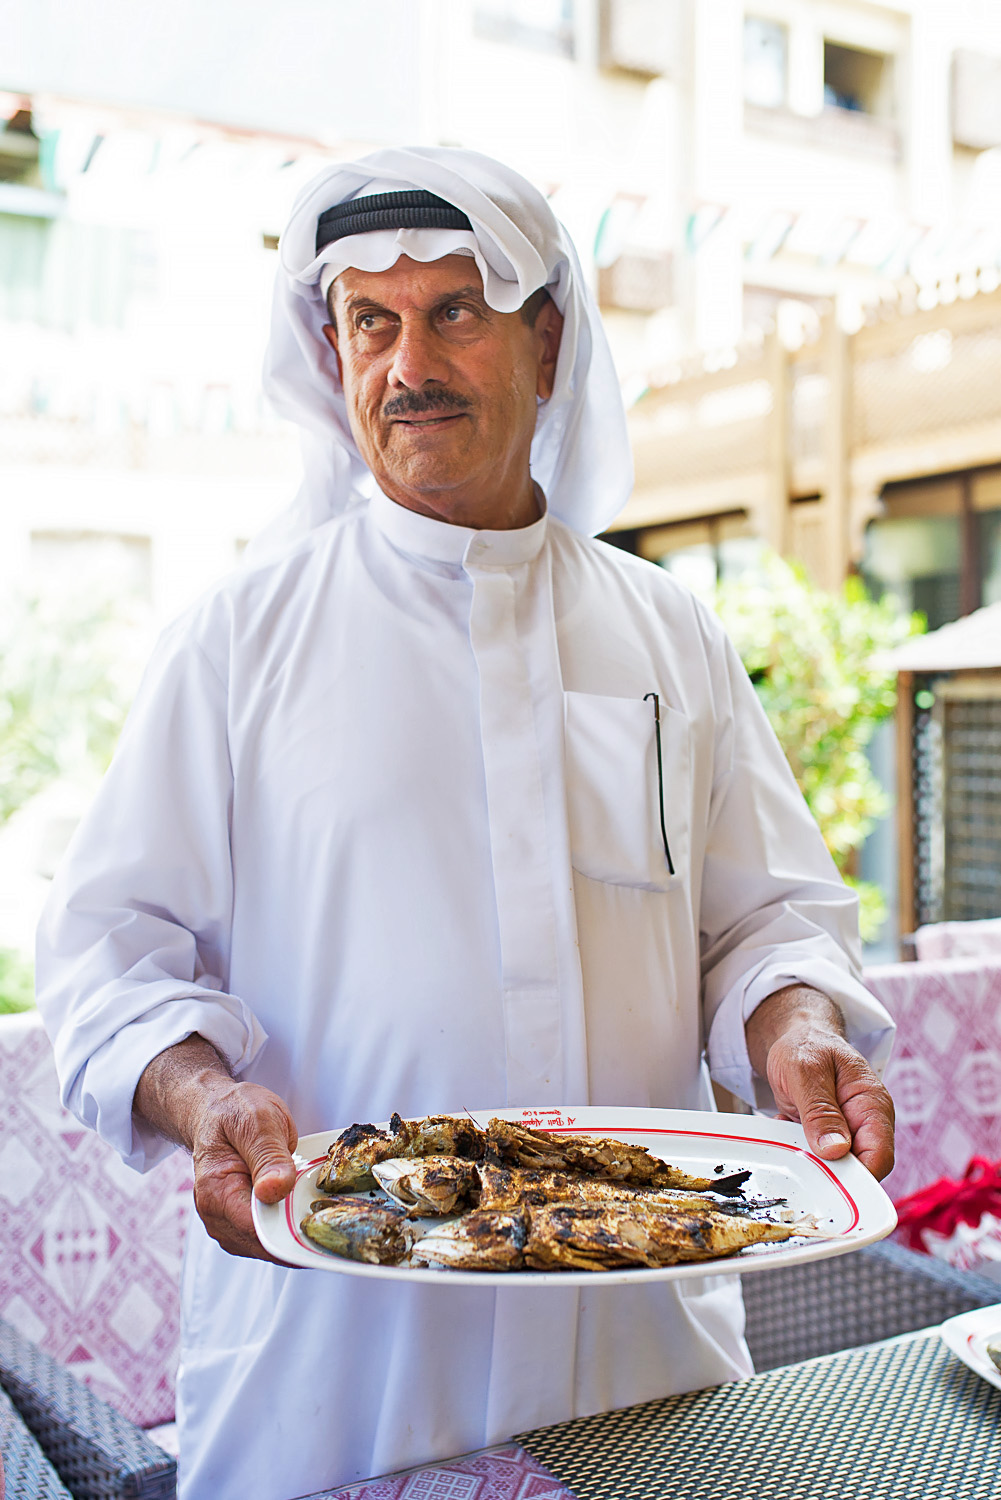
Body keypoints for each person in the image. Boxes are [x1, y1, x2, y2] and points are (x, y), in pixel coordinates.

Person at [36, 147, 894, 1500]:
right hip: (341, 1362)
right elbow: (107, 959)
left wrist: (793, 1026)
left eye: (454, 312)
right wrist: (203, 1096)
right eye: (370, 322)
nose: (408, 364)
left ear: (545, 347)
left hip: (644, 1346)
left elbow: (761, 920)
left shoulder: (668, 631)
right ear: (331, 355)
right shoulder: (237, 640)